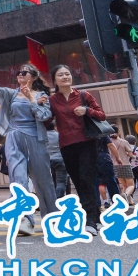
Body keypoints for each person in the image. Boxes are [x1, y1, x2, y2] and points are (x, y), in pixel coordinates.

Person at [0, 60, 57, 236]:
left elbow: (44, 116)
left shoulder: (42, 95)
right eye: (18, 73)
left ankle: (52, 219)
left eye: (24, 72)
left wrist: (32, 99)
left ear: (34, 77)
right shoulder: (11, 94)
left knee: (43, 181)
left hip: (36, 139)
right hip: (14, 139)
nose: (20, 75)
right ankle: (25, 220)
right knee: (18, 179)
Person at [47, 65, 108, 236]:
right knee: (79, 181)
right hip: (66, 145)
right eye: (60, 75)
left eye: (67, 74)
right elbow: (46, 122)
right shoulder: (52, 100)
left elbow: (102, 115)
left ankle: (90, 222)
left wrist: (86, 110)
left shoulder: (83, 95)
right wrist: (39, 105)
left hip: (87, 143)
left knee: (87, 179)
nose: (65, 77)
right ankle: (95, 216)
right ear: (55, 79)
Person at [109, 125, 136, 204]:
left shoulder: (108, 142)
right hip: (125, 165)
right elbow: (131, 155)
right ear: (118, 132)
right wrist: (131, 156)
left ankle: (128, 202)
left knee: (124, 185)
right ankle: (125, 195)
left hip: (115, 166)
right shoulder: (124, 142)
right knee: (131, 185)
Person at [97, 132, 121, 208]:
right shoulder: (102, 133)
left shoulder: (88, 133)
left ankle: (98, 203)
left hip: (92, 159)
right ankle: (115, 201)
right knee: (111, 180)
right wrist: (118, 157)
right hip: (104, 158)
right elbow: (110, 145)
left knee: (97, 182)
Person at [47, 124, 68, 199]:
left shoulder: (43, 136)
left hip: (48, 160)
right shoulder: (59, 135)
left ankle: (52, 199)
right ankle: (59, 198)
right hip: (59, 159)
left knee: (51, 181)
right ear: (54, 126)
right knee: (61, 182)